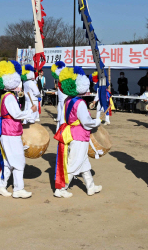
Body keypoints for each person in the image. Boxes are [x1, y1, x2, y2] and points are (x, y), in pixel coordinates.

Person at [53, 66, 102, 198]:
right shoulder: (80, 103)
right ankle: (61, 188)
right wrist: (96, 122)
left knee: (84, 162)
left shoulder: (68, 100)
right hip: (79, 135)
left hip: (71, 132)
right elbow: (86, 122)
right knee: (74, 163)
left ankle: (91, 186)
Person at [0, 60, 37, 198]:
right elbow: (16, 114)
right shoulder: (10, 97)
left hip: (8, 130)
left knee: (8, 161)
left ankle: (0, 186)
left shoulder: (6, 95)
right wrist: (30, 111)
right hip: (10, 131)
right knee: (18, 161)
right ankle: (18, 189)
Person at [51, 61, 67, 131]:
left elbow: (60, 91)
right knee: (63, 117)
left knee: (60, 117)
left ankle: (58, 130)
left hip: (61, 101)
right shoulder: (64, 82)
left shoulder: (60, 82)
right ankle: (61, 132)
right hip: (64, 101)